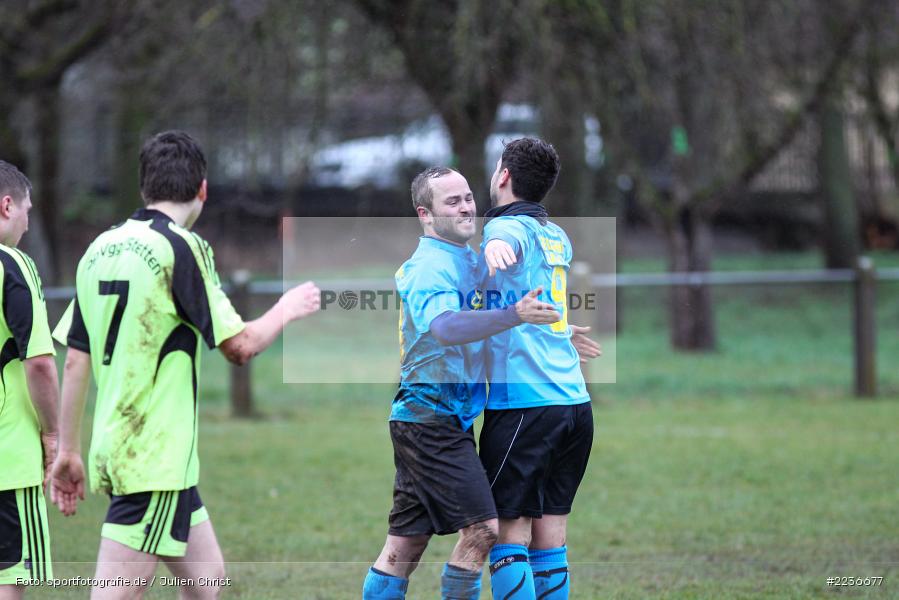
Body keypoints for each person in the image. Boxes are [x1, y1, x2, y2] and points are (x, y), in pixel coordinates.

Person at [49, 131, 321, 600]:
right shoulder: (182, 247)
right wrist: (288, 307)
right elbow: (240, 346)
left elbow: (75, 358)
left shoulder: (99, 249)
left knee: (206, 582)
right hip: (153, 457)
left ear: (144, 189)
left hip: (124, 450)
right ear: (203, 189)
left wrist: (69, 450)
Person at [362, 166, 562, 600]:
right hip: (429, 420)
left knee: (404, 546)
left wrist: (560, 332)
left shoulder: (466, 260)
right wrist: (514, 316)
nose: (467, 206)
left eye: (469, 196)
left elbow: (499, 309)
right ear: (426, 215)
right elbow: (448, 328)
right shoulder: (429, 266)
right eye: (452, 201)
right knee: (484, 530)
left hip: (437, 419)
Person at [480, 138, 594, 600]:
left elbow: (503, 242)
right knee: (550, 538)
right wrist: (562, 333)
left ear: (504, 176)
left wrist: (493, 249)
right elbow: (542, 301)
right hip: (574, 405)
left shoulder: (507, 230)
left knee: (508, 535)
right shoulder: (556, 235)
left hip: (525, 405)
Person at [0, 161, 59, 599]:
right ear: (6, 205)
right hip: (8, 458)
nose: (27, 220)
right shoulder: (13, 265)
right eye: (27, 210)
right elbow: (39, 362)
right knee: (9, 580)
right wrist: (54, 434)